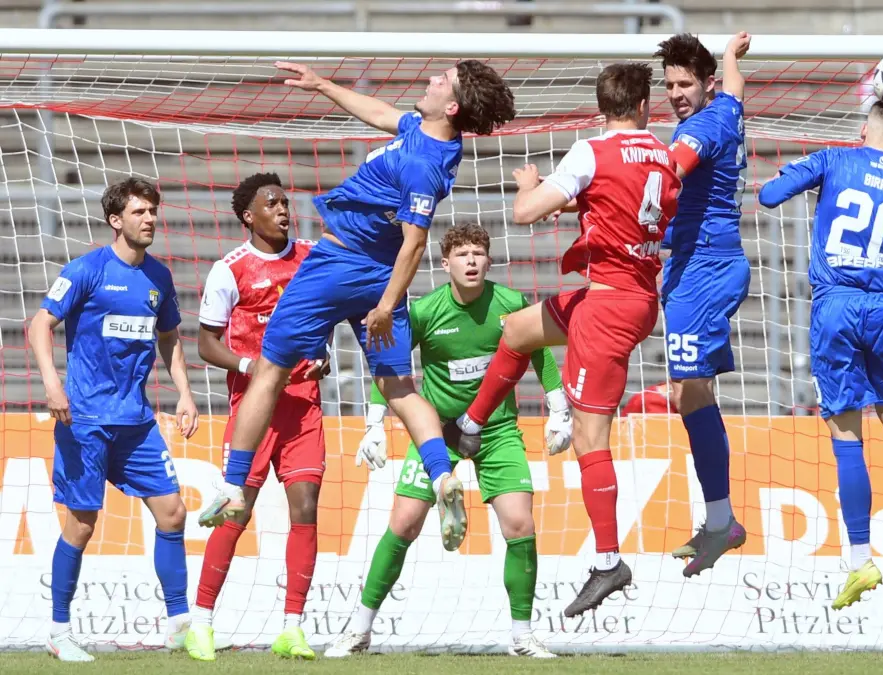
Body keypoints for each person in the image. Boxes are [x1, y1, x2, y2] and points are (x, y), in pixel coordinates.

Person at [196, 60, 517, 557]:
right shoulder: (424, 134)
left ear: (451, 105)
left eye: (441, 79)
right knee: (398, 387)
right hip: (373, 272)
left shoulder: (423, 166)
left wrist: (388, 305)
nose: (430, 79)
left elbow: (415, 242)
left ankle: (233, 484)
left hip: (341, 265)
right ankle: (442, 475)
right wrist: (323, 85)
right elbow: (382, 114)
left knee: (270, 368)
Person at [446, 63, 680, 617]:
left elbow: (525, 212)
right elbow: (631, 206)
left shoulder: (590, 152)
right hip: (635, 294)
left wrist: (532, 187)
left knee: (588, 434)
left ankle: (607, 562)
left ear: (602, 106)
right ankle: (472, 427)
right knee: (519, 329)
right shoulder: (665, 155)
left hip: (607, 304)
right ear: (646, 106)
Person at [326, 223, 569, 658]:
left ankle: (522, 636)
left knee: (520, 524)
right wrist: (374, 422)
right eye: (462, 255)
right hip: (438, 432)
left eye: (478, 253)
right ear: (445, 264)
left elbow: (541, 351)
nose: (471, 261)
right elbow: (391, 361)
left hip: (496, 429)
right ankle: (358, 629)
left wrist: (559, 409)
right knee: (403, 523)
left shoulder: (511, 304)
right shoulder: (425, 312)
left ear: (489, 261)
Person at [759, 103, 883, 610]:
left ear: (864, 130)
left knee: (848, 438)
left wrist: (803, 181)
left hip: (835, 309)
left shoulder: (834, 159)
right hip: (882, 311)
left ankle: (859, 560)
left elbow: (768, 196)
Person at [29, 178, 198, 661]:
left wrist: (185, 394)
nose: (149, 219)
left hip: (136, 421)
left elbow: (170, 337)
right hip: (85, 418)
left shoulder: (159, 277)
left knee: (173, 512)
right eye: (140, 211)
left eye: (153, 211)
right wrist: (52, 383)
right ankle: (60, 631)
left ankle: (180, 624)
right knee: (81, 524)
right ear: (116, 220)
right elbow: (40, 323)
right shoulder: (86, 270)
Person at [186, 173, 330, 661]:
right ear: (249, 215)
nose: (284, 209)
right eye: (272, 203)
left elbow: (326, 314)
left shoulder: (312, 256)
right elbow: (206, 343)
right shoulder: (230, 270)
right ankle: (201, 622)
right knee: (236, 511)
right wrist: (252, 366)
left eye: (286, 202)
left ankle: (292, 627)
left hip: (304, 406)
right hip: (253, 409)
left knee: (306, 508)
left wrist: (323, 354)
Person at [652, 31, 752, 577]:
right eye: (668, 84)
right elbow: (735, 86)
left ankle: (722, 521)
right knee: (689, 390)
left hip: (704, 269)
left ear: (704, 83)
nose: (675, 93)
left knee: (688, 389)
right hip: (700, 266)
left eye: (685, 83)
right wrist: (733, 55)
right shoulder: (728, 107)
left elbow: (666, 175)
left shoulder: (700, 129)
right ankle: (719, 519)